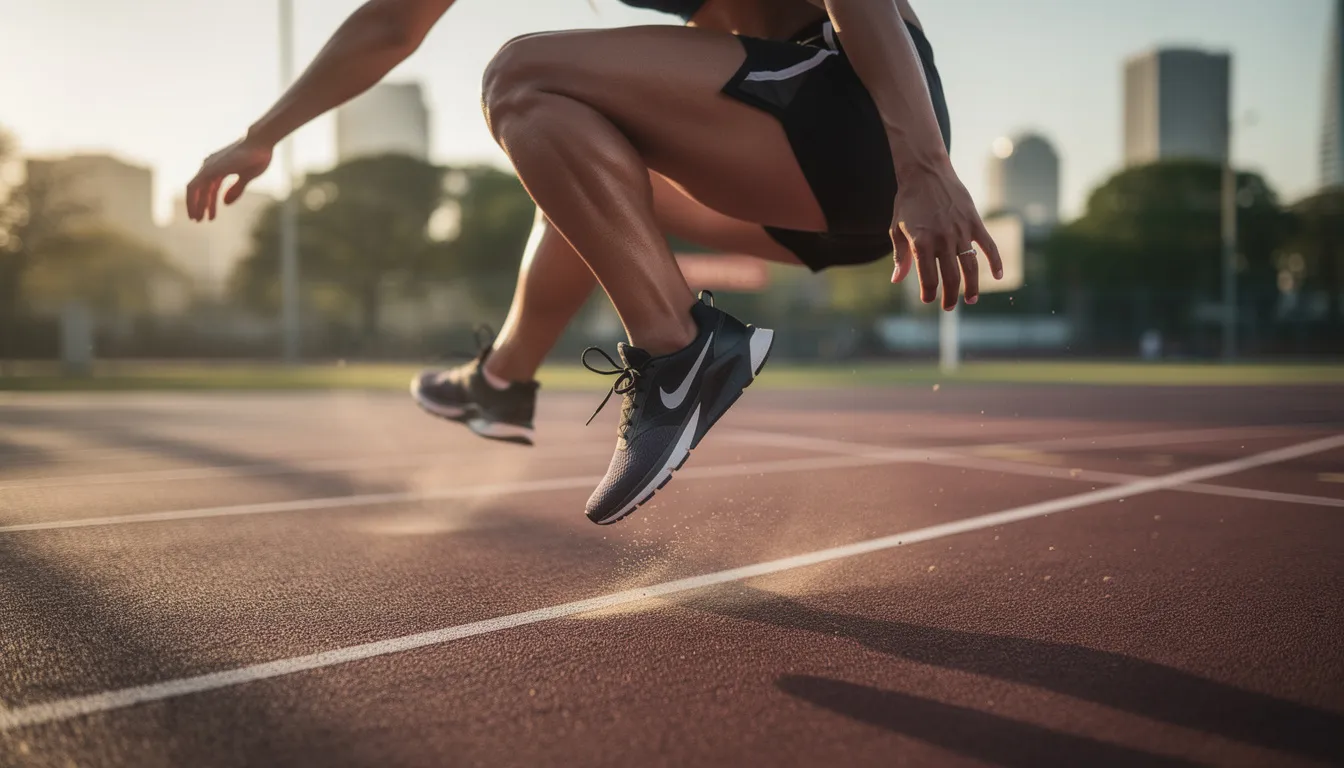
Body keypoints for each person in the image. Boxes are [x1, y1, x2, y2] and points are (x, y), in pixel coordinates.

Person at [186, 0, 1001, 525]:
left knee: (521, 77)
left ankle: (682, 354)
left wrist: (923, 164)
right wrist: (264, 134)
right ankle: (501, 382)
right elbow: (390, 25)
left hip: (860, 116)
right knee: (582, 166)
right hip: (798, 181)